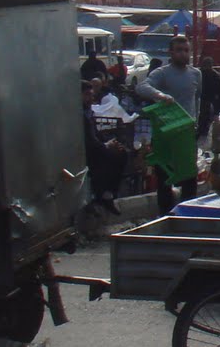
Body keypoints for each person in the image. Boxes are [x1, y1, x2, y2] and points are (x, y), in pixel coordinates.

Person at [136, 35, 203, 211]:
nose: (183, 54)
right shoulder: (162, 73)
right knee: (164, 174)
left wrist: (197, 121)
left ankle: (189, 212)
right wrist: (160, 95)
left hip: (187, 132)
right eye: (179, 50)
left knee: (189, 174)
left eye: (186, 50)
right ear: (171, 52)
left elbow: (197, 99)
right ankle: (165, 213)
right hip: (166, 132)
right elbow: (142, 87)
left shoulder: (196, 74)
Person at [80, 81, 127, 215]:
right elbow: (88, 140)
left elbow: (94, 135)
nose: (91, 98)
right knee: (107, 159)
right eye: (87, 95)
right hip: (85, 151)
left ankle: (108, 194)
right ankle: (101, 195)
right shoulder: (79, 113)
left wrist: (108, 143)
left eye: (92, 95)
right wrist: (105, 146)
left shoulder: (88, 112)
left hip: (95, 147)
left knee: (121, 153)